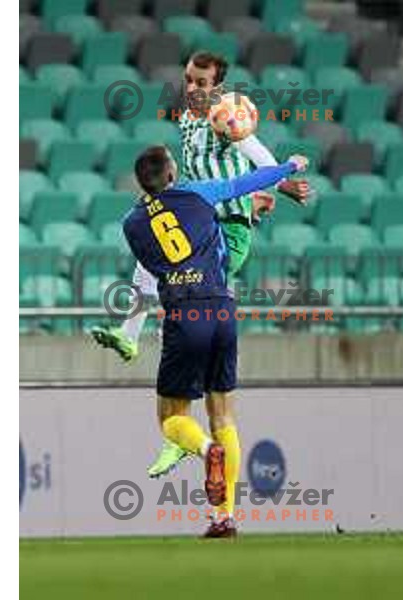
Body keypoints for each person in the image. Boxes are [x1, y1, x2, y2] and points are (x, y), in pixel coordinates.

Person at [93, 51, 310, 478]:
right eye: (188, 79)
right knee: (153, 263)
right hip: (204, 217)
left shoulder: (227, 114)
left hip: (225, 228)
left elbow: (258, 160)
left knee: (183, 301)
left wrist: (279, 184)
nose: (192, 88)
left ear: (219, 86)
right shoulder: (187, 117)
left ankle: (178, 429)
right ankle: (135, 343)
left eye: (201, 83)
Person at [121, 146, 308, 537]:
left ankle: (207, 452)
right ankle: (223, 517)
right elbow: (245, 182)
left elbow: (152, 270)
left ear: (141, 182)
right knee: (223, 414)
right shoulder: (197, 193)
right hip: (222, 308)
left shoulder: (131, 224)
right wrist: (290, 166)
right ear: (173, 172)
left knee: (171, 418)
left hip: (183, 313)